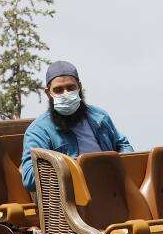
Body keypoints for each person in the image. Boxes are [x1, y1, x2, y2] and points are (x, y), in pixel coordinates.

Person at [19, 60, 132, 192]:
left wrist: (118, 163)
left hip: (111, 189)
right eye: (58, 90)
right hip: (71, 200)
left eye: (71, 88)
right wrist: (73, 170)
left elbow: (123, 145)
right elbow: (29, 178)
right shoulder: (39, 131)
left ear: (79, 87)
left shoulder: (99, 117)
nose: (66, 94)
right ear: (48, 92)